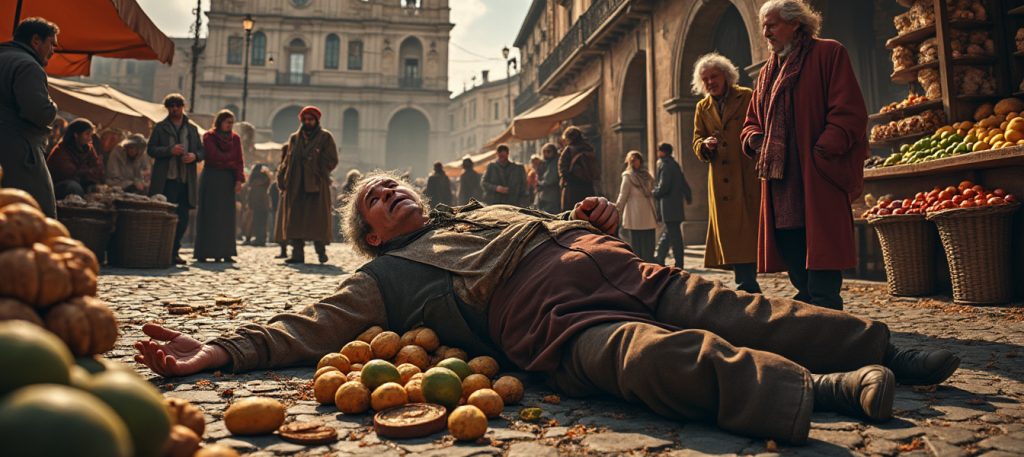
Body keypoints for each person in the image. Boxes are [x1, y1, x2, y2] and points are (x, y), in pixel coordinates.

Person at [134, 171, 961, 445]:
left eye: (388, 185)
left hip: (616, 267)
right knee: (655, 362)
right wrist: (220, 352)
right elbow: (300, 328)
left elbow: (568, 219)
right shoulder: (383, 280)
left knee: (753, 310)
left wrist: (589, 219)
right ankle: (825, 391)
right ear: (374, 238)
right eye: (373, 201)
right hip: (563, 328)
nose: (385, 190)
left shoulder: (488, 209)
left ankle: (886, 347)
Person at [741, 0, 868, 311]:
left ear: (795, 23)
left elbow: (848, 111)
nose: (766, 33)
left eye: (772, 25)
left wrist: (824, 148)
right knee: (791, 239)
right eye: (763, 27)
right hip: (781, 178)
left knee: (822, 244)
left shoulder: (829, 53)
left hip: (816, 172)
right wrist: (756, 140)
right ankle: (810, 306)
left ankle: (828, 310)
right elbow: (751, 121)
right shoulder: (767, 73)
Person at [691, 53, 762, 293]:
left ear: (726, 76)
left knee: (749, 228)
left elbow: (760, 124)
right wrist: (704, 145)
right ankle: (745, 282)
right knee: (732, 233)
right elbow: (696, 139)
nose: (710, 82)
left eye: (714, 76)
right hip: (720, 179)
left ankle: (748, 282)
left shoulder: (747, 96)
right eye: (705, 79)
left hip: (746, 174)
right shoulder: (702, 107)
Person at [0, 17, 60, 217]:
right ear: (36, 41)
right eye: (51, 43)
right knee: (37, 215)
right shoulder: (28, 66)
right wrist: (53, 106)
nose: (53, 50)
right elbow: (40, 113)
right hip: (17, 154)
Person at [278, 106, 339, 264]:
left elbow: (332, 159)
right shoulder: (294, 138)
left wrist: (317, 165)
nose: (307, 122)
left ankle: (321, 251)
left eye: (310, 119)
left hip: (316, 185)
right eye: (305, 120)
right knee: (295, 220)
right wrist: (282, 178)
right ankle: (297, 254)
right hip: (296, 185)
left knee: (317, 220)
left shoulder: (325, 137)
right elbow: (286, 161)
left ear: (316, 120)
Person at [148, 93, 204, 265]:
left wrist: (194, 156)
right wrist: (169, 151)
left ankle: (175, 251)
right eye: (171, 106)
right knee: (167, 216)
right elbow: (151, 150)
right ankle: (163, 251)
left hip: (186, 180)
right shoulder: (160, 127)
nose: (174, 109)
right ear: (167, 108)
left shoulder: (192, 129)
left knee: (183, 217)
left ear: (182, 107)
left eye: (177, 106)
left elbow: (202, 151)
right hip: (167, 179)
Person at [194, 110, 244, 263]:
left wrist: (238, 180)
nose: (229, 125)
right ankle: (205, 251)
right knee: (209, 214)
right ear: (220, 122)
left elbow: (239, 160)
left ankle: (225, 252)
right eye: (227, 122)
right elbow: (213, 156)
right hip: (211, 177)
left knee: (226, 217)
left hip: (227, 180)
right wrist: (229, 161)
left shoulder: (235, 139)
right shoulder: (209, 137)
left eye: (231, 123)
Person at [652, 143, 692, 267]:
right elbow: (684, 183)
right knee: (672, 234)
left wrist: (653, 193)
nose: (657, 153)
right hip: (676, 205)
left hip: (668, 205)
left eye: (658, 150)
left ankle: (668, 260)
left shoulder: (664, 164)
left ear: (663, 152)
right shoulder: (675, 164)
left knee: (673, 235)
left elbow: (664, 186)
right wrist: (688, 195)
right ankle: (662, 258)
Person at [46, 118, 104, 199]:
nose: (90, 139)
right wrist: (88, 171)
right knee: (73, 187)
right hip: (57, 188)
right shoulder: (61, 150)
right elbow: (70, 173)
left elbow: (97, 169)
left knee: (98, 190)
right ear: (76, 135)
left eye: (91, 135)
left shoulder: (88, 148)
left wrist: (90, 173)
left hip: (82, 183)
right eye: (87, 134)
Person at [614, 150, 657, 261]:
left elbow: (653, 191)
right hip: (635, 214)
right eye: (633, 160)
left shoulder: (647, 176)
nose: (635, 162)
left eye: (637, 159)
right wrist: (617, 209)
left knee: (648, 243)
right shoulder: (627, 176)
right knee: (636, 244)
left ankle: (649, 264)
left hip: (647, 213)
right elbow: (623, 195)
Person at [558, 126, 599, 212]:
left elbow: (562, 169)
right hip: (588, 186)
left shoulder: (568, 150)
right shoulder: (589, 148)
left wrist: (568, 180)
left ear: (568, 138)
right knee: (588, 212)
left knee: (571, 214)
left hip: (572, 188)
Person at [245, 164, 272, 247]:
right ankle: (261, 239)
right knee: (262, 222)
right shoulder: (265, 177)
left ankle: (258, 238)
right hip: (263, 202)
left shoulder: (253, 179)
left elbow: (250, 190)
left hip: (256, 203)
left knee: (257, 221)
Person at [534, 143, 561, 214]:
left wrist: (540, 184)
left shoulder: (555, 162)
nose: (546, 153)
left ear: (553, 152)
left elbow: (550, 179)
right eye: (544, 151)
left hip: (551, 195)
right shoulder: (544, 163)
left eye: (548, 151)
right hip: (543, 195)